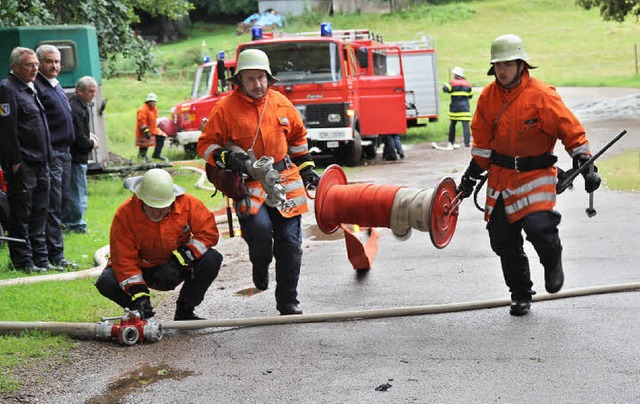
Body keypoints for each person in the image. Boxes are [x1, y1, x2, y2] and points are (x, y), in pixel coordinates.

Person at [456, 34, 601, 316]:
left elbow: (570, 130)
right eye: (498, 64)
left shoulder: (542, 94)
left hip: (537, 174)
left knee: (538, 226)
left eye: (508, 64)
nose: (502, 70)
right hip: (501, 177)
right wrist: (471, 175)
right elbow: (483, 145)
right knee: (501, 238)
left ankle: (552, 258)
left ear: (521, 64)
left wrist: (585, 163)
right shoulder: (487, 97)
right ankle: (520, 293)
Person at [197, 49, 321, 315]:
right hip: (248, 183)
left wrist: (308, 169)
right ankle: (260, 264)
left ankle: (288, 301)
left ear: (269, 78)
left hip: (284, 179)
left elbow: (298, 140)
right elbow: (206, 145)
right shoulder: (225, 108)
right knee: (261, 234)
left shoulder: (281, 103)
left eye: (261, 78)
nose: (257, 84)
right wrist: (228, 159)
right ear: (240, 80)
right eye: (250, 78)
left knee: (290, 244)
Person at [95, 168, 223, 321]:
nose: (157, 212)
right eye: (152, 206)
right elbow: (124, 260)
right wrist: (139, 293)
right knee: (106, 281)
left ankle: (185, 312)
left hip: (177, 266)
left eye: (162, 206)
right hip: (143, 270)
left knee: (212, 259)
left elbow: (209, 232)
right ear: (141, 199)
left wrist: (184, 255)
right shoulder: (125, 215)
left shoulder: (188, 203)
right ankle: (141, 314)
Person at [0, 47, 53, 273]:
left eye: (36, 65)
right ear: (15, 66)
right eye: (29, 65)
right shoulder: (7, 88)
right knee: (22, 214)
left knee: (40, 213)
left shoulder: (29, 88)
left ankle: (41, 259)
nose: (35, 69)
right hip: (24, 164)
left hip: (41, 161)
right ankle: (23, 261)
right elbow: (7, 130)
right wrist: (14, 162)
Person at [34, 44, 77, 271]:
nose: (55, 66)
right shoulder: (38, 87)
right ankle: (55, 255)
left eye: (58, 62)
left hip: (66, 152)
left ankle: (57, 252)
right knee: (52, 205)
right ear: (39, 62)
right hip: (52, 154)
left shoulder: (56, 84)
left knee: (61, 203)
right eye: (50, 61)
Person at [63, 76, 99, 234]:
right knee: (77, 194)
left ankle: (72, 223)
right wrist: (92, 143)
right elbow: (78, 139)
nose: (94, 95)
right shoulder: (76, 109)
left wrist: (88, 134)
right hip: (76, 158)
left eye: (95, 91)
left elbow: (80, 131)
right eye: (91, 91)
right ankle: (76, 225)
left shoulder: (80, 106)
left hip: (78, 157)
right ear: (80, 91)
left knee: (77, 192)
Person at [442, 66, 473, 148]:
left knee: (453, 125)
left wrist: (446, 84)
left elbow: (445, 89)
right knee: (465, 126)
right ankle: (467, 143)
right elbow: (470, 96)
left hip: (454, 109)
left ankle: (450, 142)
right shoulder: (468, 85)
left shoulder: (452, 83)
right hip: (465, 109)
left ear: (455, 75)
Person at [135, 92, 168, 162]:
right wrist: (146, 131)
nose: (153, 103)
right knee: (144, 146)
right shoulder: (142, 110)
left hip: (153, 129)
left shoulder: (154, 109)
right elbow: (141, 122)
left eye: (154, 101)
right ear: (148, 101)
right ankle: (141, 158)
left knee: (161, 136)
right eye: (151, 101)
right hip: (143, 131)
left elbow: (154, 120)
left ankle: (156, 154)